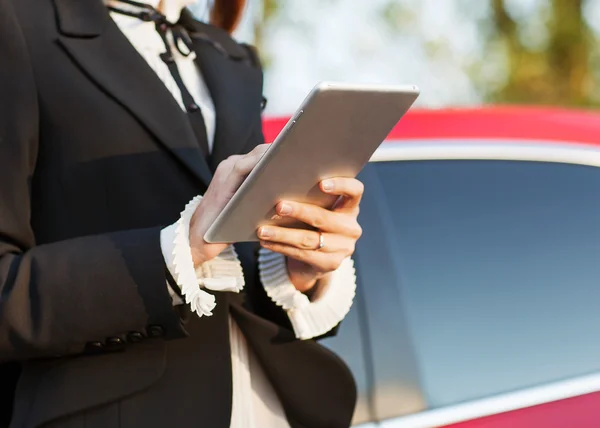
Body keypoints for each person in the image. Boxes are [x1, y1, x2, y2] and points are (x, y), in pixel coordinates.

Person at [0, 0, 364, 427]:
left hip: (270, 406)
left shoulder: (232, 56)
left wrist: (297, 267)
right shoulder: (18, 26)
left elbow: (236, 268)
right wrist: (178, 250)